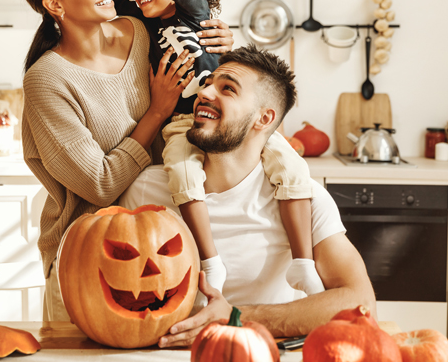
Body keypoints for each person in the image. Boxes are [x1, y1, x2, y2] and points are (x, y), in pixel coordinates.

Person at [0, 0, 232, 321]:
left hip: (167, 255)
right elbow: (101, 184)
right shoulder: (47, 80)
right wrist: (155, 114)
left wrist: (220, 43)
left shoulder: (140, 30)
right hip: (91, 267)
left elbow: (185, 19)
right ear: (54, 4)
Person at [94, 0, 321, 300]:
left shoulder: (196, 15)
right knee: (182, 174)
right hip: (182, 125)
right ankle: (210, 262)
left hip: (234, 121)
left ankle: (304, 263)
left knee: (292, 166)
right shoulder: (141, 27)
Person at [118, 45, 376, 345]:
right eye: (208, 83)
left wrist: (235, 317)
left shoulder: (306, 200)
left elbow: (361, 303)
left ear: (264, 119)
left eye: (227, 89)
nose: (205, 93)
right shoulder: (146, 189)